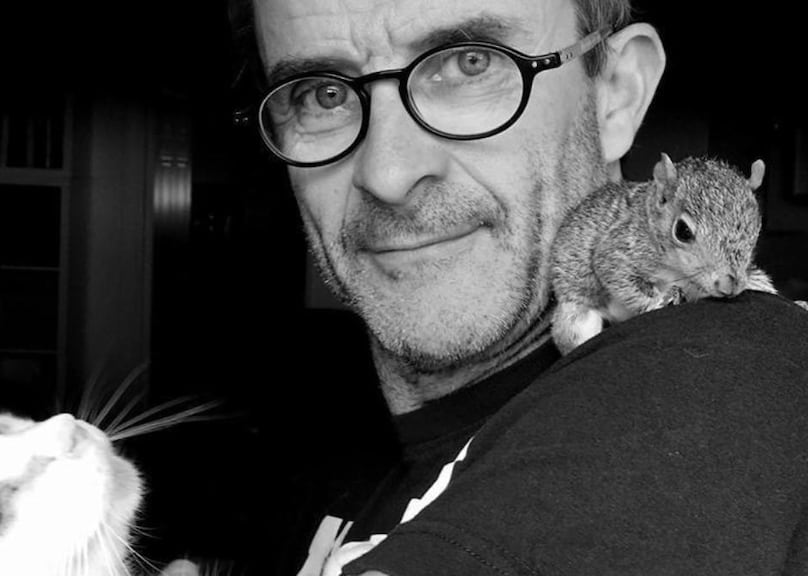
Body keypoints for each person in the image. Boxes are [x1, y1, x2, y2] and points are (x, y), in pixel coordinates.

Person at [231, 0, 808, 574]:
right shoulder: (303, 463)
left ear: (617, 92)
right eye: (321, 93)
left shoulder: (732, 369)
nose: (387, 175)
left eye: (470, 63)